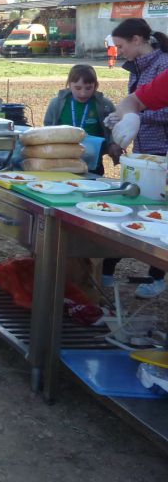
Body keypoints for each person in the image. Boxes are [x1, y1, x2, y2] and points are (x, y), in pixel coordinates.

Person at [101, 18, 168, 298]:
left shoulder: (163, 65)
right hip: (143, 153)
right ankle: (105, 270)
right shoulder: (138, 68)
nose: (119, 52)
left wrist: (137, 117)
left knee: (158, 217)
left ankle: (156, 276)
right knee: (130, 208)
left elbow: (163, 112)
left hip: (161, 152)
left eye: (121, 46)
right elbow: (135, 101)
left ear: (137, 40)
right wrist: (124, 117)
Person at [42, 64, 117, 176]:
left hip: (93, 162)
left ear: (96, 86)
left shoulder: (104, 105)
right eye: (77, 88)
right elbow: (48, 128)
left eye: (88, 88)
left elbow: (114, 130)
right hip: (62, 160)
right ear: (69, 85)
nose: (83, 93)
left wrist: (113, 145)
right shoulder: (57, 104)